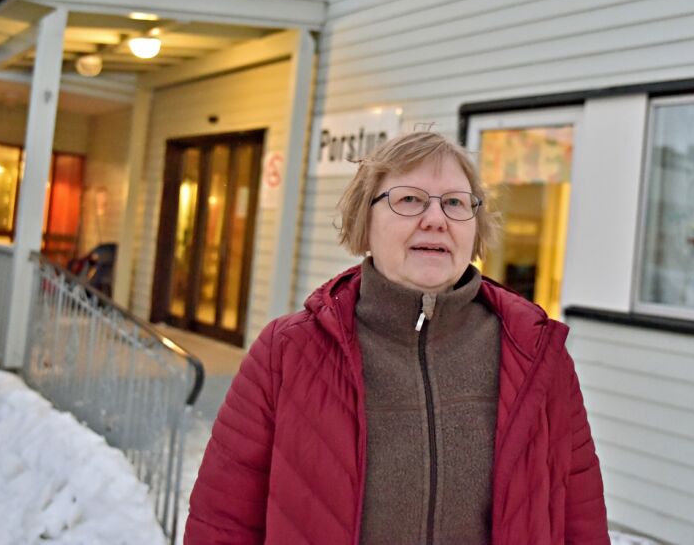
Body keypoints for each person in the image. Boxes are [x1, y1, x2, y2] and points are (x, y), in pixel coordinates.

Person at [185, 131, 608, 545]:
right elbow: (223, 522)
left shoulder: (533, 354)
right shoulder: (287, 351)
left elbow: (580, 519)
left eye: (456, 203)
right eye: (409, 199)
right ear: (364, 221)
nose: (436, 219)